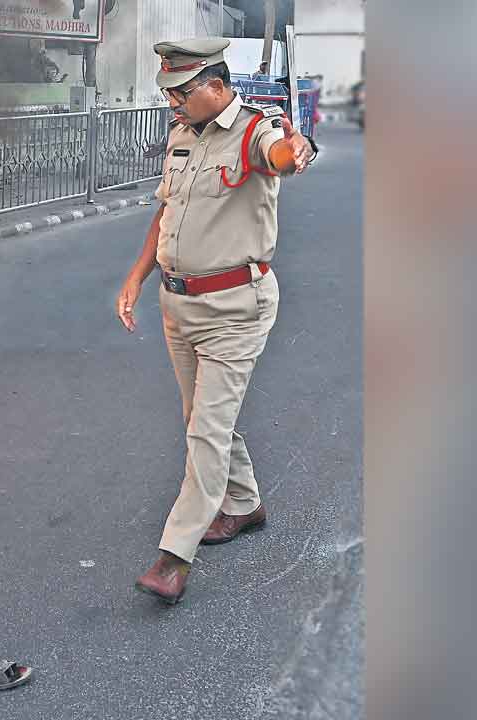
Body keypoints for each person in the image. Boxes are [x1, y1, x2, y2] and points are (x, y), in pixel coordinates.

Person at [114, 37, 314, 605]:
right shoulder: (182, 135)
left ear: (216, 85)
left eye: (182, 91)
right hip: (179, 304)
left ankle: (174, 556)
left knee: (205, 429)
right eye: (169, 92)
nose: (173, 102)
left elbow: (283, 156)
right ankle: (245, 504)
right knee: (199, 416)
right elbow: (166, 211)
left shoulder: (254, 132)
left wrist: (296, 149)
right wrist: (136, 277)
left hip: (235, 308)